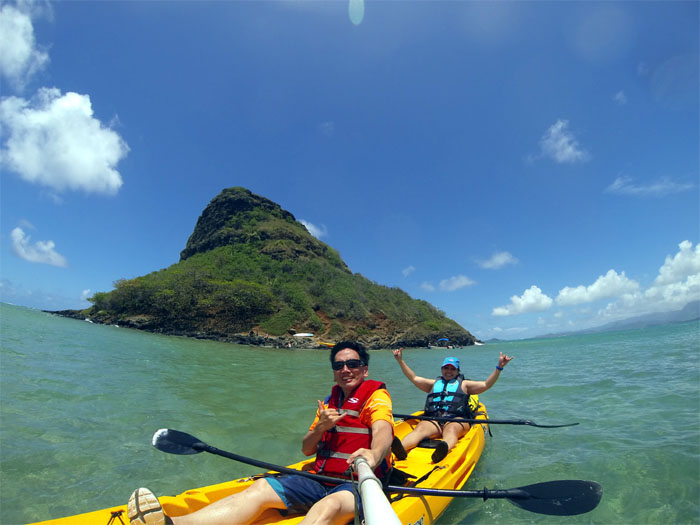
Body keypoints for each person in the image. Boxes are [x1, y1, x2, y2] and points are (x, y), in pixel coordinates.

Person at [128, 341, 394, 525]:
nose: (345, 370)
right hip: (317, 479)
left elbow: (383, 429)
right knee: (260, 489)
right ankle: (172, 523)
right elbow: (306, 450)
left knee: (328, 508)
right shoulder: (328, 403)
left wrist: (374, 453)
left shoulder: (376, 396)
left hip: (356, 484)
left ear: (364, 369)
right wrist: (321, 426)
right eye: (339, 366)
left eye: (353, 364)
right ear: (334, 372)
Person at [391, 348, 513, 463]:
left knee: (451, 430)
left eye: (452, 369)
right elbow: (413, 377)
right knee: (420, 429)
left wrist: (499, 368)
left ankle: (443, 449)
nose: (448, 371)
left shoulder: (465, 385)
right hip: (435, 420)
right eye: (446, 368)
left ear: (457, 371)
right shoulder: (433, 383)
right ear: (441, 369)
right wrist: (400, 360)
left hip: (456, 420)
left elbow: (486, 384)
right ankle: (400, 449)